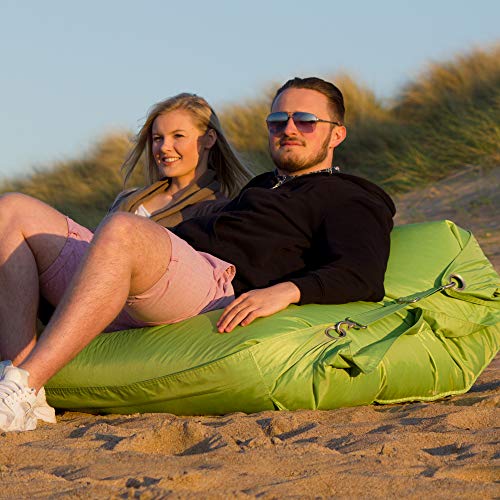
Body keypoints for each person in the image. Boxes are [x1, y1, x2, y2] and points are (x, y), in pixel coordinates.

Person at [0, 77, 395, 432]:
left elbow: (363, 272)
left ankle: (22, 387)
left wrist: (287, 291)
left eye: (305, 120)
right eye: (278, 121)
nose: (289, 129)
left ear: (337, 134)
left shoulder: (351, 193)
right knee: (12, 208)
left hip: (213, 285)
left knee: (124, 229)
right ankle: (21, 387)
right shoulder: (262, 186)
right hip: (169, 271)